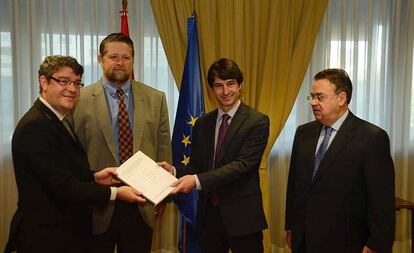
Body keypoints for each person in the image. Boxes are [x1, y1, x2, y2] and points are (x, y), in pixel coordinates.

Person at [5, 55, 144, 253]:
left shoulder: (54, 118)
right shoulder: (36, 126)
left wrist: (94, 177)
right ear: (44, 82)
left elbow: (62, 168)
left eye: (77, 83)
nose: (72, 89)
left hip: (63, 232)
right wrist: (116, 193)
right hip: (47, 237)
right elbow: (63, 187)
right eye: (64, 81)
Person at [72, 33, 172, 253]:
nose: (120, 62)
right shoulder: (78, 100)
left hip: (142, 202)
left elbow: (164, 148)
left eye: (126, 57)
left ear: (133, 60)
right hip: (97, 203)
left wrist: (163, 193)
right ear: (100, 59)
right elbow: (72, 154)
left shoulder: (156, 98)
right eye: (113, 56)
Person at [159, 58, 269, 253]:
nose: (225, 91)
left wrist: (196, 180)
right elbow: (197, 165)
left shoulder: (257, 121)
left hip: (243, 217)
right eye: (219, 85)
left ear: (240, 86)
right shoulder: (202, 124)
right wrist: (174, 170)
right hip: (209, 216)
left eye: (230, 84)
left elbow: (242, 165)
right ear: (212, 89)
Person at [285, 68, 395, 253]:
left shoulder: (371, 137)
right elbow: (294, 185)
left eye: (320, 97)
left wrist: (377, 243)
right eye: (311, 97)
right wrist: (290, 226)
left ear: (341, 98)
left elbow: (381, 199)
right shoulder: (303, 133)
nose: (313, 102)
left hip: (347, 240)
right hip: (305, 237)